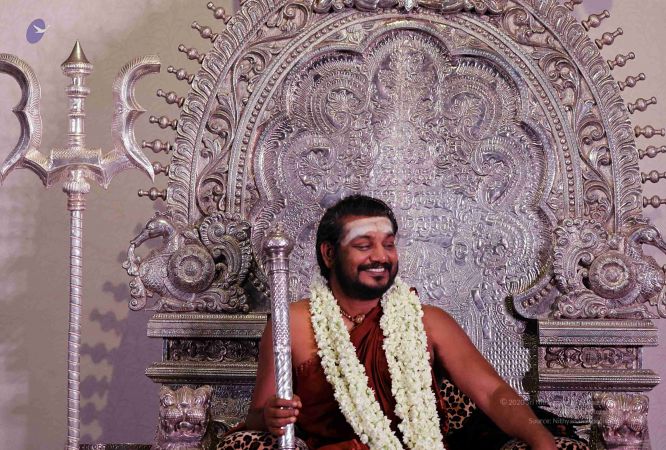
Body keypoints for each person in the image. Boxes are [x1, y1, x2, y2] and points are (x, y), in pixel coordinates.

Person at [246, 195, 557, 450]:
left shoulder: (429, 322)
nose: (381, 256)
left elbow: (492, 393)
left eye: (389, 244)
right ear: (329, 254)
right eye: (364, 245)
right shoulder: (292, 323)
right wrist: (271, 416)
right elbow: (256, 416)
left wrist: (542, 440)